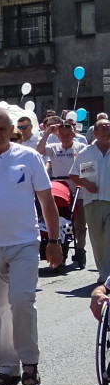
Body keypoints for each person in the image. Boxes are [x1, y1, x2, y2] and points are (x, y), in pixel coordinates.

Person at [0, 109, 62, 385]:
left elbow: (46, 199)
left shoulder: (28, 157)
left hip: (24, 242)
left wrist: (54, 241)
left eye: (1, 128)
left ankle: (30, 362)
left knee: (22, 300)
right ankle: (8, 367)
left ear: (10, 130)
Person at [38, 115, 88, 268]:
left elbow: (87, 169)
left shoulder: (81, 148)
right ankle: (61, 246)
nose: (65, 137)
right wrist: (47, 133)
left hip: (78, 187)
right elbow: (39, 151)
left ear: (74, 134)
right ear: (58, 135)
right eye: (62, 134)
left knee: (80, 223)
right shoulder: (54, 148)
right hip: (60, 188)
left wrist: (82, 182)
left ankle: (80, 248)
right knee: (60, 221)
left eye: (68, 134)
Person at [71, 116, 110, 281]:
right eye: (104, 127)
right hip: (92, 202)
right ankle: (103, 272)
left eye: (109, 127)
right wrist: (87, 184)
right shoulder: (87, 152)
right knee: (97, 239)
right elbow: (74, 175)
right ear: (95, 132)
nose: (107, 130)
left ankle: (107, 275)